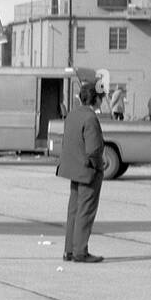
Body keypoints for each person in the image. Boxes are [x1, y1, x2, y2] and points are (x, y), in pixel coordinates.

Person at [56, 81, 105, 263]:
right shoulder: (91, 119)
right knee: (85, 212)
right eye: (101, 97)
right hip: (88, 171)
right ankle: (80, 252)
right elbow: (93, 149)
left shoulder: (72, 115)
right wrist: (99, 165)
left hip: (73, 169)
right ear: (97, 99)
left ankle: (69, 250)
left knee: (74, 211)